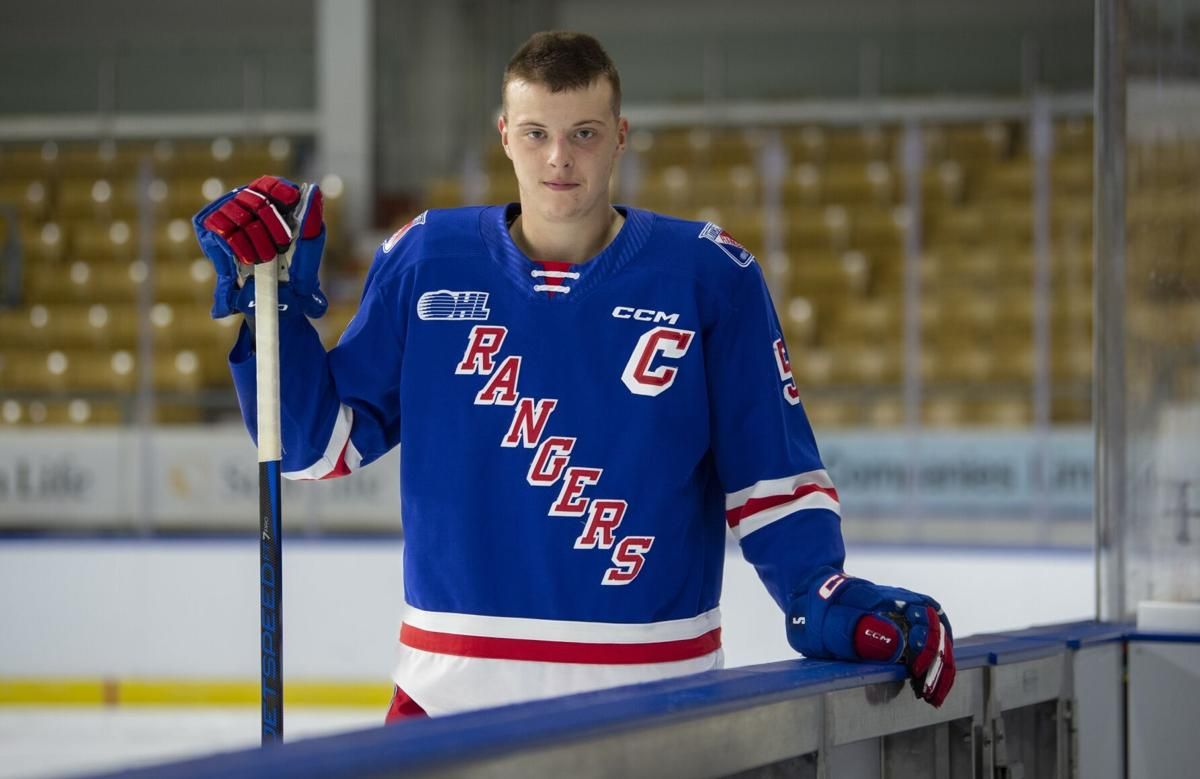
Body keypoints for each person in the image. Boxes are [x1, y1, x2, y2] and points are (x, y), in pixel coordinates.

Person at [193, 31, 954, 719]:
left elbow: (771, 481)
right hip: (448, 698)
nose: (559, 158)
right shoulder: (426, 258)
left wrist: (817, 591)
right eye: (537, 133)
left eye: (584, 134)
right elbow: (316, 448)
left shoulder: (709, 276)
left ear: (619, 137)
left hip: (659, 702)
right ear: (506, 137)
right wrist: (275, 320)